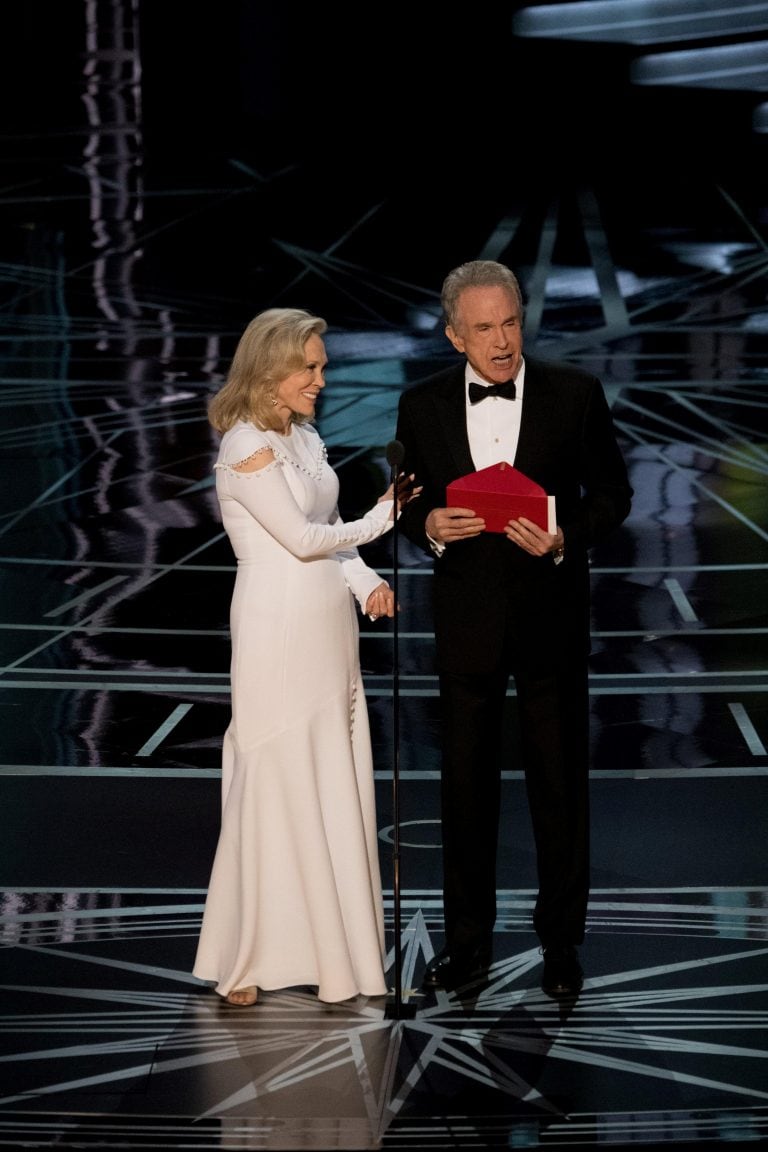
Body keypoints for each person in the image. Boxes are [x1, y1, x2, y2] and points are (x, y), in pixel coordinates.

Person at [394, 260, 633, 997]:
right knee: (465, 795)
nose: (503, 342)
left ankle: (561, 944)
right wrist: (426, 525)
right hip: (466, 625)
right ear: (454, 335)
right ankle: (466, 946)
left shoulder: (576, 395)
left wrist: (563, 535)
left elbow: (615, 495)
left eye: (511, 322)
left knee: (559, 790)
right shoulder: (421, 404)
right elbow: (405, 505)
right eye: (485, 329)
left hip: (549, 622)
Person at [193, 307, 414, 1007]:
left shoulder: (303, 435)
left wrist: (366, 580)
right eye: (309, 367)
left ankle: (333, 955)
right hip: (278, 631)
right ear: (270, 368)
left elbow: (326, 536)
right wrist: (383, 518)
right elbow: (294, 537)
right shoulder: (245, 443)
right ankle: (247, 956)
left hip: (327, 631)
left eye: (322, 366)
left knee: (327, 780)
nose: (322, 379)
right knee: (276, 779)